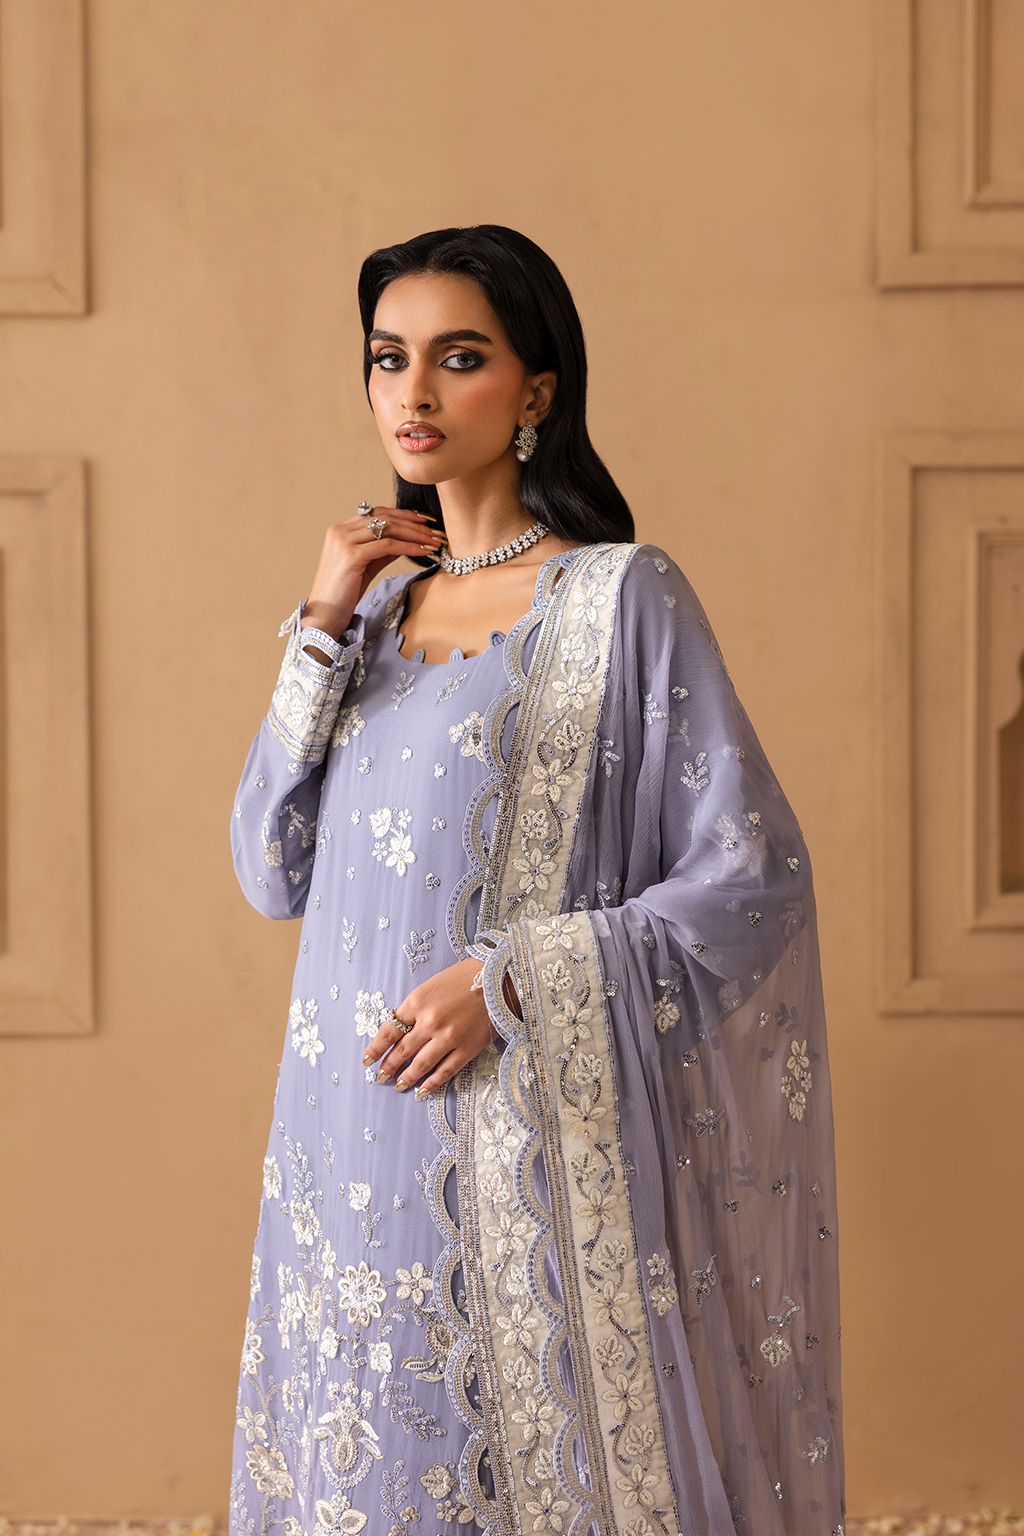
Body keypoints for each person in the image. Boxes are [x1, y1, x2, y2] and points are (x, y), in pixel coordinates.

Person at [228, 225, 844, 1536]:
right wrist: (322, 618)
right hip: (350, 1135)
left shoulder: (619, 598)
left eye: (459, 358)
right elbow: (268, 871)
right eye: (388, 358)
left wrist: (512, 982)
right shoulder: (369, 620)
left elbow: (752, 877)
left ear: (537, 390)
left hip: (528, 1122)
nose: (413, 392)